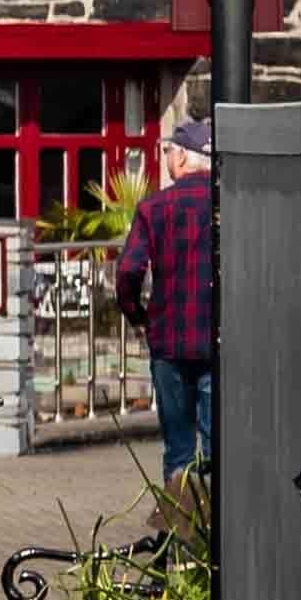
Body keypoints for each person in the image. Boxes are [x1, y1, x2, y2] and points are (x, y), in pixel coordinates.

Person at [114, 154, 218, 481]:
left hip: (168, 340)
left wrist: (137, 315)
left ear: (182, 155)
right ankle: (217, 529)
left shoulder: (154, 206)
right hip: (217, 339)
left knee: (178, 450)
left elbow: (129, 270)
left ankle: (181, 527)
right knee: (219, 449)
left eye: (168, 152)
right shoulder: (228, 202)